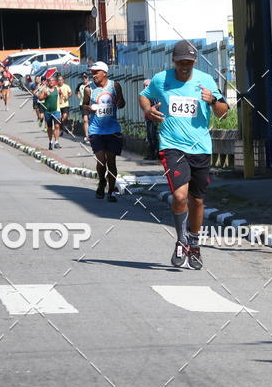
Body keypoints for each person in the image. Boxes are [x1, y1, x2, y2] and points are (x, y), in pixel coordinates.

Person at [139, 40, 228, 270]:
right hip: (172, 146)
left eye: (189, 62)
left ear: (194, 61)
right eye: (181, 62)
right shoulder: (161, 79)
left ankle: (194, 244)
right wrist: (148, 110)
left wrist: (213, 100)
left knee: (197, 201)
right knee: (179, 197)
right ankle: (181, 240)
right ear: (174, 61)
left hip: (200, 148)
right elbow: (144, 95)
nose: (185, 66)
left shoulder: (206, 81)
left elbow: (223, 113)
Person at [83, 61, 125, 202]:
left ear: (104, 73)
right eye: (92, 72)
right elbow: (84, 105)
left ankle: (111, 191)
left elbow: (122, 103)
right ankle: (102, 181)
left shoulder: (115, 86)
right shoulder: (88, 89)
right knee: (101, 161)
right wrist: (89, 108)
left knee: (111, 161)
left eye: (96, 72)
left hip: (112, 129)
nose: (93, 75)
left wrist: (118, 102)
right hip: (96, 130)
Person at [37, 74, 61, 149]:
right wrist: (45, 96)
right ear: (48, 82)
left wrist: (61, 100)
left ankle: (56, 142)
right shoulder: (45, 89)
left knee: (57, 126)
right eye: (49, 81)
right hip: (48, 112)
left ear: (55, 82)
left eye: (52, 81)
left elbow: (61, 94)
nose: (51, 82)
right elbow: (40, 98)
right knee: (49, 128)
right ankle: (50, 142)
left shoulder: (57, 89)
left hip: (56, 111)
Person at [76, 72, 91, 143]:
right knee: (85, 120)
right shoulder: (80, 85)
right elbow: (76, 92)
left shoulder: (92, 84)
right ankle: (87, 136)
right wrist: (79, 96)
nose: (84, 79)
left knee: (92, 120)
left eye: (86, 77)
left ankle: (93, 135)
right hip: (83, 104)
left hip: (92, 104)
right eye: (83, 78)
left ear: (88, 77)